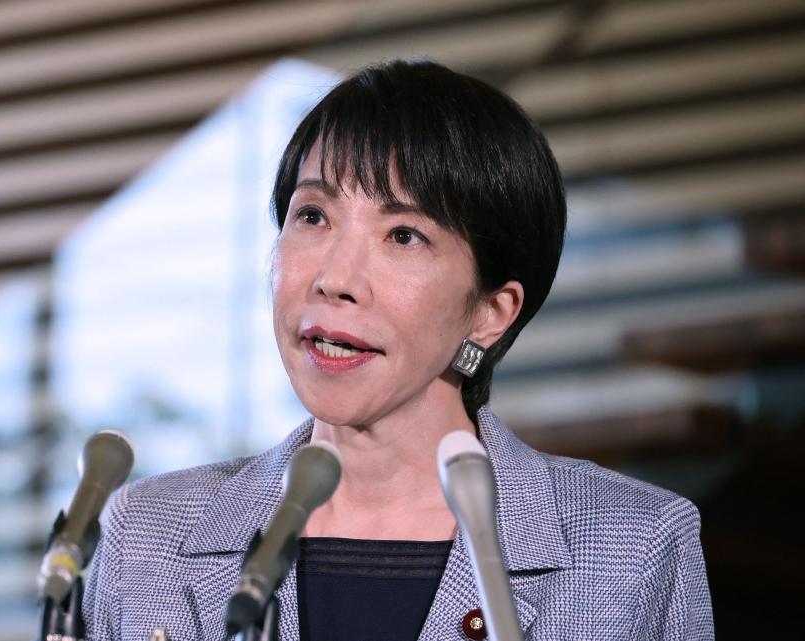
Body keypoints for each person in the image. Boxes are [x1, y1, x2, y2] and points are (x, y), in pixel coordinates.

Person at [83, 60, 713, 641]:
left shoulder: (634, 548)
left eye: (404, 234)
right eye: (313, 216)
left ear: (491, 313)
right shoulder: (148, 539)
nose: (336, 277)